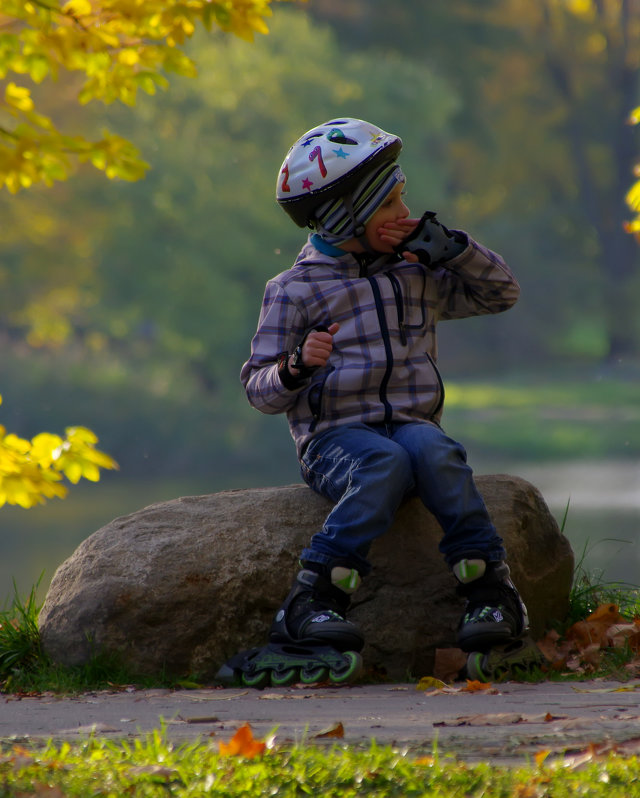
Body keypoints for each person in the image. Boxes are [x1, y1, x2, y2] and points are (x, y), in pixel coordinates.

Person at [227, 118, 531, 685]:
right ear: (347, 216)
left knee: (436, 450)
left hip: (411, 426)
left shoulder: (413, 271)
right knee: (383, 462)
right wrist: (297, 367)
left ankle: (490, 590)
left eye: (402, 196)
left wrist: (451, 250)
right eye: (390, 201)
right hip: (336, 439)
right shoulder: (294, 289)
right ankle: (312, 600)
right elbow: (258, 388)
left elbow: (500, 293)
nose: (404, 211)